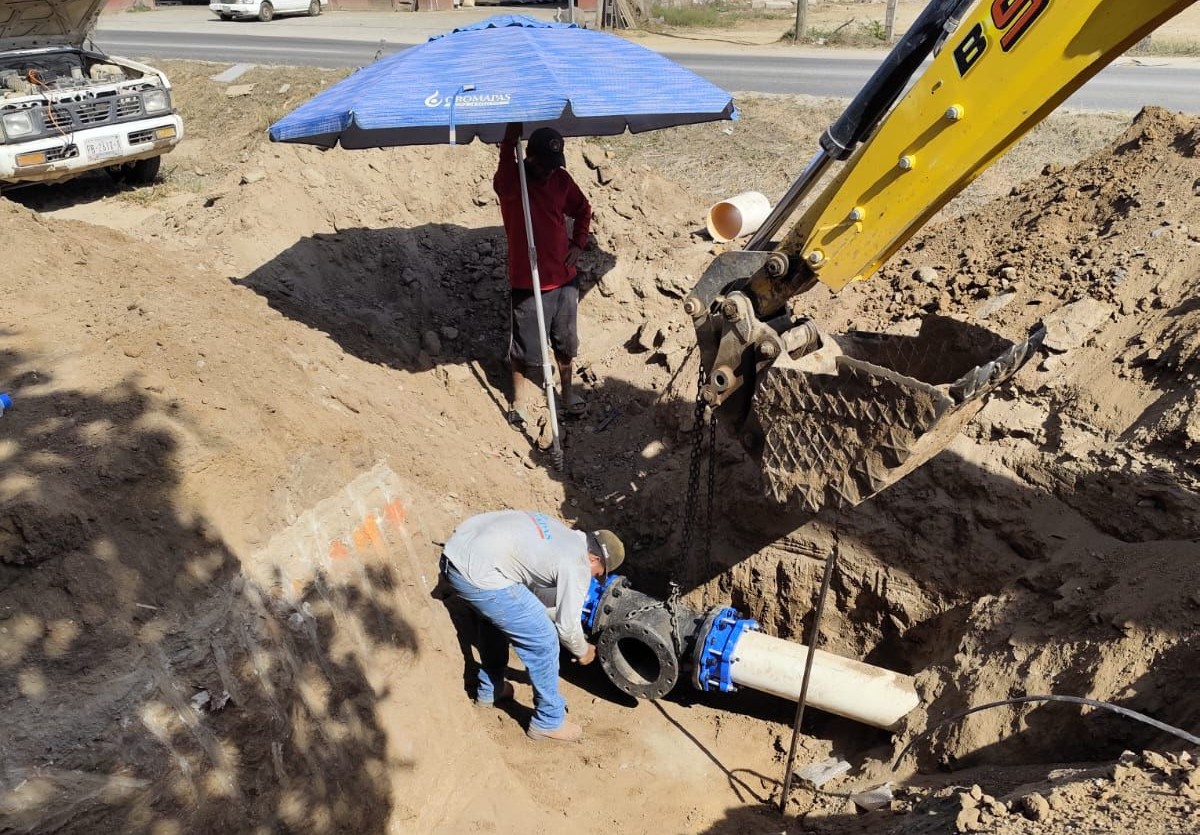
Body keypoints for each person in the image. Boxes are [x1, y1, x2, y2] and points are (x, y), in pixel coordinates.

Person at [440, 510, 625, 742]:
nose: (595, 578)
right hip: (478, 575)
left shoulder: (562, 534)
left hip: (456, 555)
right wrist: (583, 650)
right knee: (545, 640)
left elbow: (534, 589)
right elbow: (566, 628)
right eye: (598, 574)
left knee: (496, 619)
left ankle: (491, 689)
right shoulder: (577, 564)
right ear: (594, 559)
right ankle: (548, 721)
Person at [493, 122, 593, 427]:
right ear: (530, 157)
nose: (551, 171)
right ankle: (519, 402)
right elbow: (506, 158)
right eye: (545, 165)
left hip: (564, 279)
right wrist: (510, 138)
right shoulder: (513, 182)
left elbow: (583, 208)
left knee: (565, 342)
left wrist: (578, 243)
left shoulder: (561, 179)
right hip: (528, 278)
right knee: (524, 347)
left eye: (555, 165)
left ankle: (566, 394)